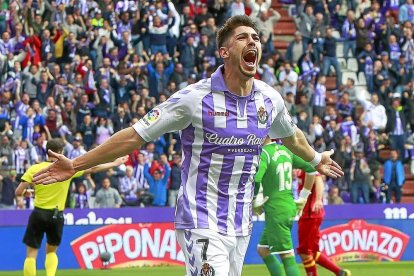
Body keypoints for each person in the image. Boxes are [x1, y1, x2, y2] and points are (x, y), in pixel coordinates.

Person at [32, 16, 343, 276]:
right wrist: (75, 164)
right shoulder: (194, 99)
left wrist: (315, 158)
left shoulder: (269, 99)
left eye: (256, 38)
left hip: (240, 223)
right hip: (200, 219)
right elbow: (133, 136)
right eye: (243, 38)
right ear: (224, 51)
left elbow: (291, 136)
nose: (253, 42)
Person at [15, 138, 127, 276]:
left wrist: (29, 193)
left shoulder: (34, 169)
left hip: (39, 213)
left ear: (47, 151)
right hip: (57, 215)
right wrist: (115, 163)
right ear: (61, 152)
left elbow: (18, 192)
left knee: (31, 254)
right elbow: (93, 168)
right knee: (51, 251)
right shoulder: (67, 169)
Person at [254, 142, 316, 276]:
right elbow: (312, 168)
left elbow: (256, 179)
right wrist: (303, 197)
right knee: (262, 249)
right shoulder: (286, 150)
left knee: (286, 254)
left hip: (276, 209)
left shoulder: (264, 153)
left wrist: (253, 200)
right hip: (288, 205)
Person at [297, 172, 350, 276]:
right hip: (311, 214)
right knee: (312, 252)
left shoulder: (307, 164)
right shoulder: (300, 165)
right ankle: (339, 272)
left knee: (305, 252)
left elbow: (319, 180)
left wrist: (318, 200)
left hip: (310, 215)